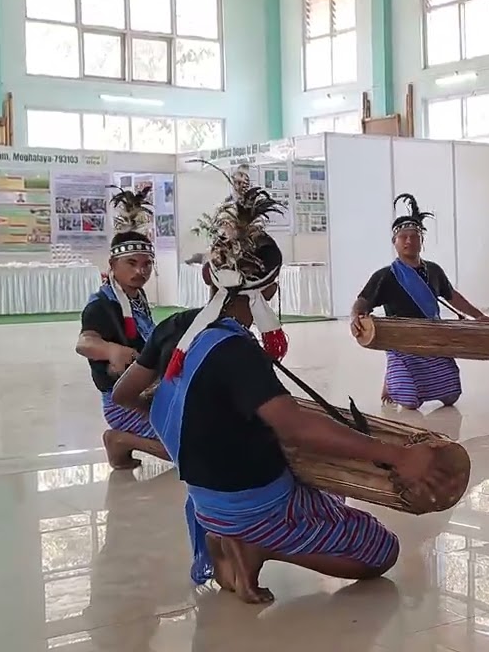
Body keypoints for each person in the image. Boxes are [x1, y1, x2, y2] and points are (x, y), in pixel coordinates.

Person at [111, 181, 459, 604]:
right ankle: (258, 546)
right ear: (270, 290)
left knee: (332, 490)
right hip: (253, 503)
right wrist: (399, 455)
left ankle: (229, 536)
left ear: (209, 275)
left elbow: (124, 394)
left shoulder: (175, 326)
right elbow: (296, 428)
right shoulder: (238, 351)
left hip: (204, 501)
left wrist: (188, 425)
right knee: (382, 550)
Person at [351, 194, 489, 410]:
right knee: (409, 401)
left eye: (414, 236)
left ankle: (400, 376)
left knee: (451, 395)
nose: (409, 241)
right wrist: (355, 317)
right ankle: (392, 377)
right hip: (402, 344)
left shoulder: (434, 271)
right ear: (395, 242)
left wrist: (479, 316)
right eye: (403, 237)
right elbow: (362, 301)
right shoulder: (385, 276)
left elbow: (452, 296)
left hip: (433, 340)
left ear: (421, 240)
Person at [75, 186, 170, 469]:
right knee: (186, 451)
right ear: (113, 265)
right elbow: (84, 342)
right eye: (132, 263)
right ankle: (119, 440)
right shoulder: (102, 305)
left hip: (150, 392)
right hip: (123, 401)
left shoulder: (135, 297)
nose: (141, 271)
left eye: (147, 264)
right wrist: (110, 350)